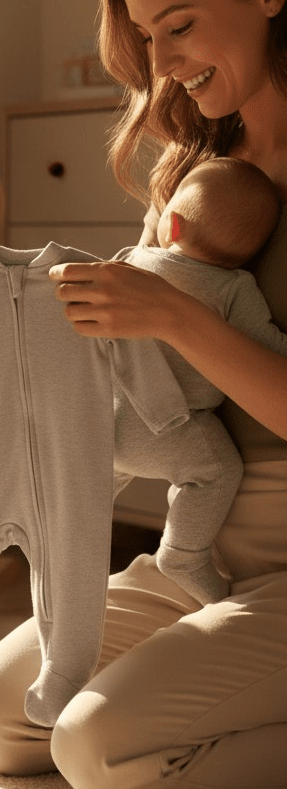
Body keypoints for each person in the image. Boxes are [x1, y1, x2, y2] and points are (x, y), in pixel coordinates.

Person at [0, 0, 287, 789]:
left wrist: (173, 314)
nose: (163, 65)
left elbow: (175, 329)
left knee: (101, 749)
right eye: (147, 36)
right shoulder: (197, 170)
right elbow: (123, 353)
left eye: (181, 24)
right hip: (201, 553)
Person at [113, 155, 285, 606]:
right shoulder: (234, 287)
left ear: (170, 226)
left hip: (106, 417)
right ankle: (184, 554)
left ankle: (59, 538)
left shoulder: (133, 262)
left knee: (86, 493)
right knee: (215, 472)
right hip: (173, 426)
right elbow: (265, 344)